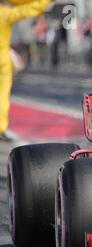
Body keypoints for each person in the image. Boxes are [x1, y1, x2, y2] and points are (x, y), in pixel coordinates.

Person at [0, 0, 53, 141]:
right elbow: (27, 10)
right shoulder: (4, 13)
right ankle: (1, 129)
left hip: (4, 60)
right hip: (2, 60)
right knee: (2, 95)